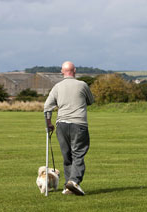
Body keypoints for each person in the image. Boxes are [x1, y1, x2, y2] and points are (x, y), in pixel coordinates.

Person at [44, 61, 94, 195]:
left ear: (62, 71)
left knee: (67, 156)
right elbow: (90, 101)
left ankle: (68, 186)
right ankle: (74, 181)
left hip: (61, 125)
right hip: (79, 124)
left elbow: (47, 106)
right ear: (75, 71)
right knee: (78, 154)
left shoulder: (57, 87)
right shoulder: (82, 85)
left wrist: (48, 123)